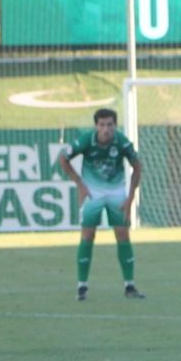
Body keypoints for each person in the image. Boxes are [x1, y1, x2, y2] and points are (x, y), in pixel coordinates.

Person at [59, 108, 145, 301]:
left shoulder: (121, 141)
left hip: (116, 192)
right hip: (92, 192)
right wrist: (80, 184)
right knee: (88, 234)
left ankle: (129, 286)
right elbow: (63, 159)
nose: (106, 129)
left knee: (122, 233)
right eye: (102, 125)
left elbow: (137, 165)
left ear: (115, 125)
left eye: (110, 125)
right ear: (96, 126)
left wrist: (130, 197)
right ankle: (82, 287)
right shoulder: (86, 140)